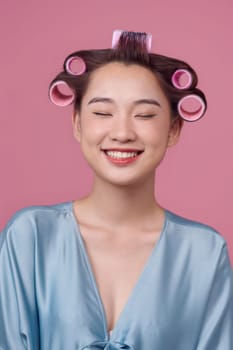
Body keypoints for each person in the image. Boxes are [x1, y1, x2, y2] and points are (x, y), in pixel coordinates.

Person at [0, 30, 232, 349]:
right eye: (102, 113)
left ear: (174, 128)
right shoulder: (31, 237)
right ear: (77, 123)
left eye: (145, 114)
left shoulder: (205, 252)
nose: (122, 132)